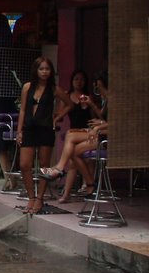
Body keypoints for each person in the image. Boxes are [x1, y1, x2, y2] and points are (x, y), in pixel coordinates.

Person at [16, 56, 73, 214]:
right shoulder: (28, 87)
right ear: (36, 70)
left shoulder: (54, 89)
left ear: (51, 71)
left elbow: (69, 104)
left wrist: (57, 116)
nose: (44, 72)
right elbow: (22, 110)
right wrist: (19, 131)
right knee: (24, 164)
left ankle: (40, 198)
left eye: (47, 69)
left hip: (45, 129)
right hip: (29, 128)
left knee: (44, 166)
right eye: (41, 69)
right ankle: (31, 197)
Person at [53, 70, 101, 202]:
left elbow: (95, 118)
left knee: (75, 159)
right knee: (73, 161)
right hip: (75, 132)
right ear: (72, 81)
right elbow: (60, 113)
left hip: (86, 131)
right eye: (76, 79)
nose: (79, 82)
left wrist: (90, 104)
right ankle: (70, 192)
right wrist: (55, 118)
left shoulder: (88, 97)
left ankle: (74, 183)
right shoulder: (67, 96)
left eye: (82, 80)